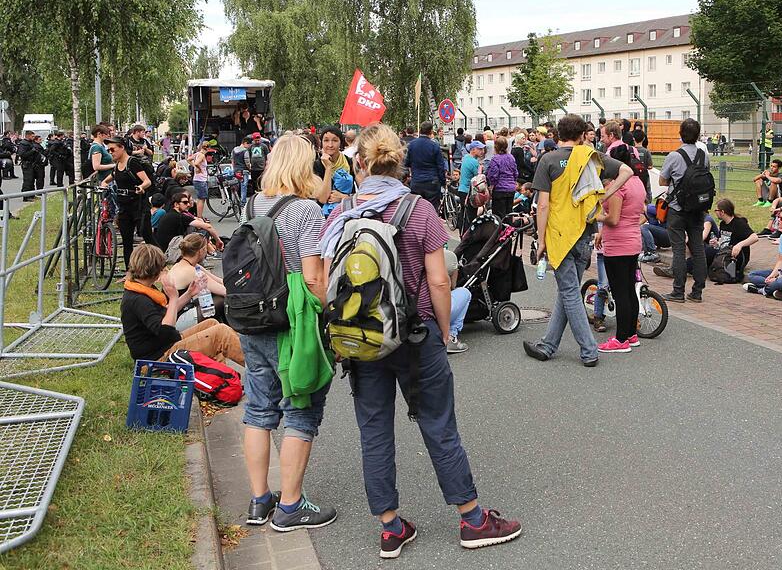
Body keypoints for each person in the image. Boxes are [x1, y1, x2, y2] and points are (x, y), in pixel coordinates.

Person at [318, 123, 521, 558]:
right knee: (438, 423)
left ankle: (390, 527)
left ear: (360, 163)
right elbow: (439, 281)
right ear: (401, 163)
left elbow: (321, 280)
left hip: (363, 340)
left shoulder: (342, 212)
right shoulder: (419, 210)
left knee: (374, 430)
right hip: (416, 334)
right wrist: (444, 330)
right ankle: (472, 519)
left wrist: (347, 324)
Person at [239, 133, 336, 532]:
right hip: (292, 323)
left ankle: (260, 500)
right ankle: (292, 506)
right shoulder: (306, 211)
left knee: (258, 410)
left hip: (253, 319)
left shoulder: (252, 204)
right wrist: (330, 311)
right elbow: (312, 277)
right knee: (301, 407)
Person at [523, 115, 633, 366]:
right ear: (583, 135)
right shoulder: (590, 156)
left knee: (570, 292)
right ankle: (548, 345)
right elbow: (626, 171)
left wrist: (541, 239)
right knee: (568, 291)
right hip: (585, 233)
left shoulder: (548, 160)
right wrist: (604, 196)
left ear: (557, 135)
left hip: (560, 235)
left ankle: (589, 350)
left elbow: (543, 205)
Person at [119, 244, 244, 364]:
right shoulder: (137, 299)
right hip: (157, 357)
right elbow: (165, 331)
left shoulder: (142, 288)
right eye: (162, 268)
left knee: (212, 324)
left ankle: (222, 376)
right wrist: (173, 298)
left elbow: (165, 312)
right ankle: (254, 369)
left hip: (167, 345)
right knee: (221, 333)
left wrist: (189, 293)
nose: (164, 271)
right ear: (154, 270)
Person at [596, 144, 648, 354]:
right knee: (629, 289)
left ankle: (620, 339)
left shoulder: (619, 186)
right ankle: (631, 334)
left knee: (620, 293)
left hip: (618, 244)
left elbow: (614, 219)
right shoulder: (637, 182)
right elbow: (637, 213)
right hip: (632, 240)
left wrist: (595, 216)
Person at [659, 118, 709, 303]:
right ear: (698, 135)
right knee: (698, 249)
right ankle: (697, 291)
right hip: (698, 208)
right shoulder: (704, 155)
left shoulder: (674, 156)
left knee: (678, 250)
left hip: (677, 208)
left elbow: (662, 181)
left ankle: (678, 291)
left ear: (680, 134)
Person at [101, 137, 152, 267]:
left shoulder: (132, 162)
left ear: (122, 148)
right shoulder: (117, 166)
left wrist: (141, 187)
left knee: (147, 237)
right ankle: (129, 272)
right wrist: (104, 183)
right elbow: (109, 178)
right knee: (126, 241)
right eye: (108, 150)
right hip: (124, 207)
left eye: (112, 149)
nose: (110, 152)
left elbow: (147, 181)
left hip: (138, 205)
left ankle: (161, 267)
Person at [403, 122, 448, 208]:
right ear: (431, 131)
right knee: (432, 208)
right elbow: (440, 166)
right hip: (432, 182)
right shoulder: (434, 145)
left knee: (416, 208)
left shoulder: (411, 145)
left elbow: (407, 163)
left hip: (416, 181)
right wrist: (443, 181)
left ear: (420, 130)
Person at [313, 126, 353, 210]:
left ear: (341, 142)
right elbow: (323, 199)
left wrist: (344, 197)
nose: (330, 145)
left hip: (347, 210)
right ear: (321, 143)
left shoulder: (350, 162)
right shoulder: (316, 165)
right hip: (324, 213)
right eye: (326, 140)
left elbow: (360, 193)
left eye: (335, 140)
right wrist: (328, 168)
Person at [485, 136, 517, 218]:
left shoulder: (495, 159)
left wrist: (491, 185)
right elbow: (515, 173)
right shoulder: (511, 157)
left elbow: (493, 175)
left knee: (499, 215)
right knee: (509, 213)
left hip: (499, 189)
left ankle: (501, 226)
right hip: (511, 188)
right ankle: (509, 226)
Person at [187, 141, 211, 220]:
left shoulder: (197, 154)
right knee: (201, 199)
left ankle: (199, 216)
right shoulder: (202, 155)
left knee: (200, 198)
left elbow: (188, 159)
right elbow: (197, 163)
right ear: (208, 148)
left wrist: (194, 166)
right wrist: (199, 168)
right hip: (201, 179)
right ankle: (199, 217)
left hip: (197, 179)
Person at [232, 136, 252, 206]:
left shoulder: (234, 150)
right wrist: (249, 168)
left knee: (235, 186)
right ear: (245, 143)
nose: (249, 147)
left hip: (236, 170)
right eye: (249, 145)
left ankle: (234, 201)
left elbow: (232, 160)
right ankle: (243, 202)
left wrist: (234, 168)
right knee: (243, 186)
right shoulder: (245, 151)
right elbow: (247, 162)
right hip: (244, 171)